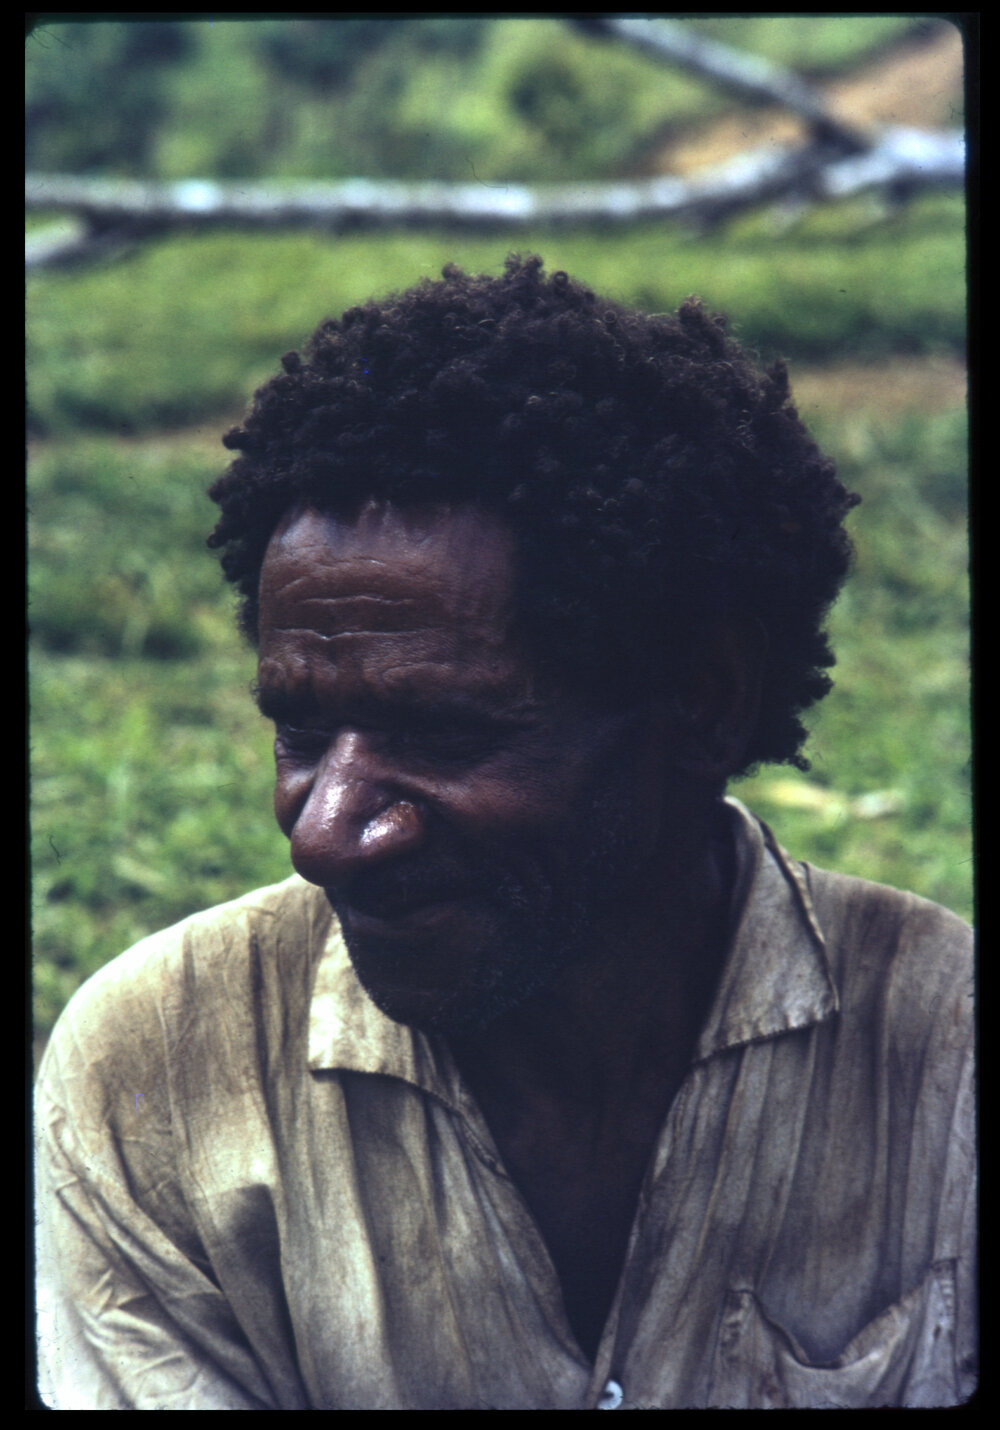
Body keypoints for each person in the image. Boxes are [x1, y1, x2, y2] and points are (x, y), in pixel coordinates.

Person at [35, 256, 974, 1409]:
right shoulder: (156, 1072)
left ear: (703, 699)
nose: (324, 834)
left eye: (437, 729)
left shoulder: (948, 1057)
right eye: (298, 729)